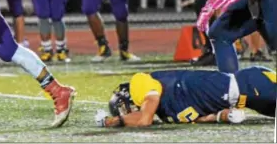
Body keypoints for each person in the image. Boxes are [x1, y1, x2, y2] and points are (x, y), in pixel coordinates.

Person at [94, 66, 276, 127]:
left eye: (127, 110)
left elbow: (144, 119)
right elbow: (201, 116)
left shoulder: (139, 83)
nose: (129, 114)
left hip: (252, 82)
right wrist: (222, 116)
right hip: (250, 101)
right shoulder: (166, 115)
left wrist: (110, 122)